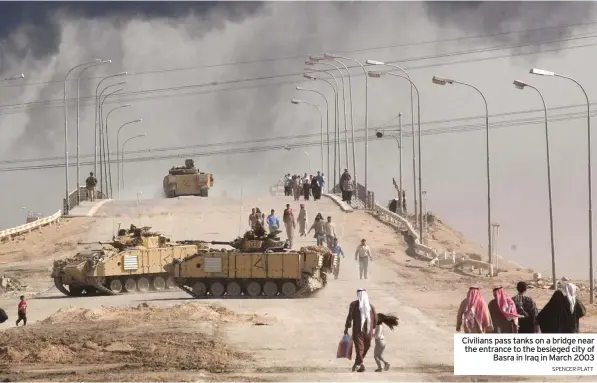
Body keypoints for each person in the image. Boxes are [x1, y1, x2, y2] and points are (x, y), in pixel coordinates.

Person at [344, 289, 377, 373]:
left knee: (362, 348)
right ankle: (359, 364)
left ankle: (358, 364)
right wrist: (372, 328)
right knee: (361, 349)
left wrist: (346, 328)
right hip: (364, 331)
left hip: (361, 331)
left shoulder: (355, 305)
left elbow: (349, 318)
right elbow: (375, 320)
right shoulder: (369, 306)